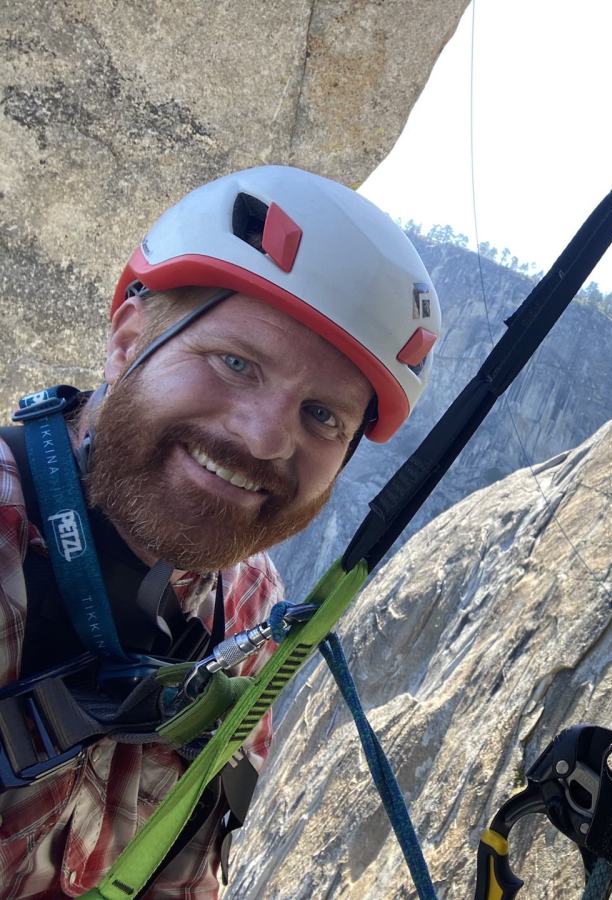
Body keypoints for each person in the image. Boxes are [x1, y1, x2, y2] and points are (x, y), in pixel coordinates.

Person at [0, 165, 441, 896]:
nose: (267, 439)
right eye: (236, 363)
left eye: (322, 416)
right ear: (126, 340)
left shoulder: (250, 610)